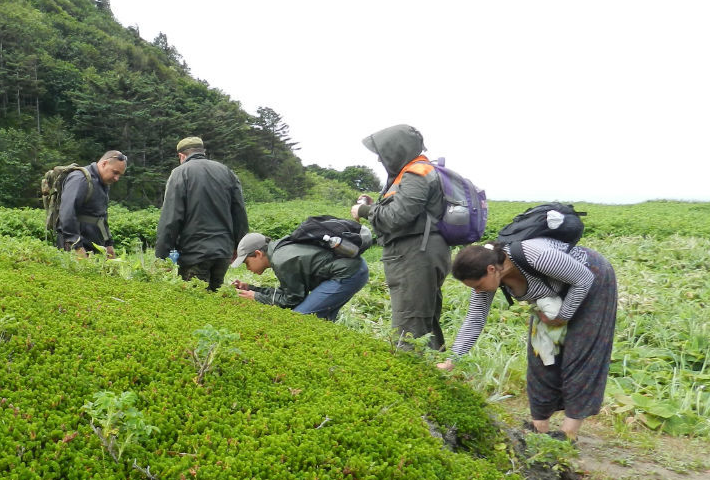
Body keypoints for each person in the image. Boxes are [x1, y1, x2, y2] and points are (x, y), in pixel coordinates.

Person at [435, 240, 618, 440]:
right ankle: (539, 427)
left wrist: (562, 316)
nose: (478, 291)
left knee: (582, 353)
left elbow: (583, 279)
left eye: (478, 286)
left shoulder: (535, 256)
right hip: (551, 299)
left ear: (491, 269)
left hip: (592, 281)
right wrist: (452, 360)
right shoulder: (486, 274)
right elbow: (475, 319)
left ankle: (568, 434)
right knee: (540, 354)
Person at [356, 124, 450, 349]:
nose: (380, 160)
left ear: (396, 149)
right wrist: (374, 205)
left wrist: (364, 211)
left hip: (414, 255)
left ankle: (409, 378)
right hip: (422, 252)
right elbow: (405, 209)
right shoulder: (416, 171)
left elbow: (396, 217)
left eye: (382, 153)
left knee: (409, 324)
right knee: (424, 320)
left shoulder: (416, 173)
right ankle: (433, 374)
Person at [154, 136, 249, 290]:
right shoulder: (227, 172)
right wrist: (240, 247)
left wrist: (161, 257)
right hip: (223, 252)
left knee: (195, 304)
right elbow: (239, 213)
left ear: (181, 156)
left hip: (194, 253)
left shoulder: (180, 173)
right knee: (215, 302)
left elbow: (171, 219)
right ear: (202, 151)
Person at [230, 231, 367, 321]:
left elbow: (292, 301)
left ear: (258, 254)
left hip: (348, 273)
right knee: (321, 319)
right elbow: (288, 294)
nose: (248, 269)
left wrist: (256, 297)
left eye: (247, 263)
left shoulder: (281, 260)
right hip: (352, 268)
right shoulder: (279, 250)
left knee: (299, 319)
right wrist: (251, 289)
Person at [56, 150, 127, 257]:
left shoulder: (102, 183)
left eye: (120, 175)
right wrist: (77, 247)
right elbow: (67, 214)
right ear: (104, 164)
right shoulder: (80, 179)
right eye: (115, 172)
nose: (117, 178)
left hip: (93, 248)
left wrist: (108, 244)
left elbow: (100, 217)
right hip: (75, 248)